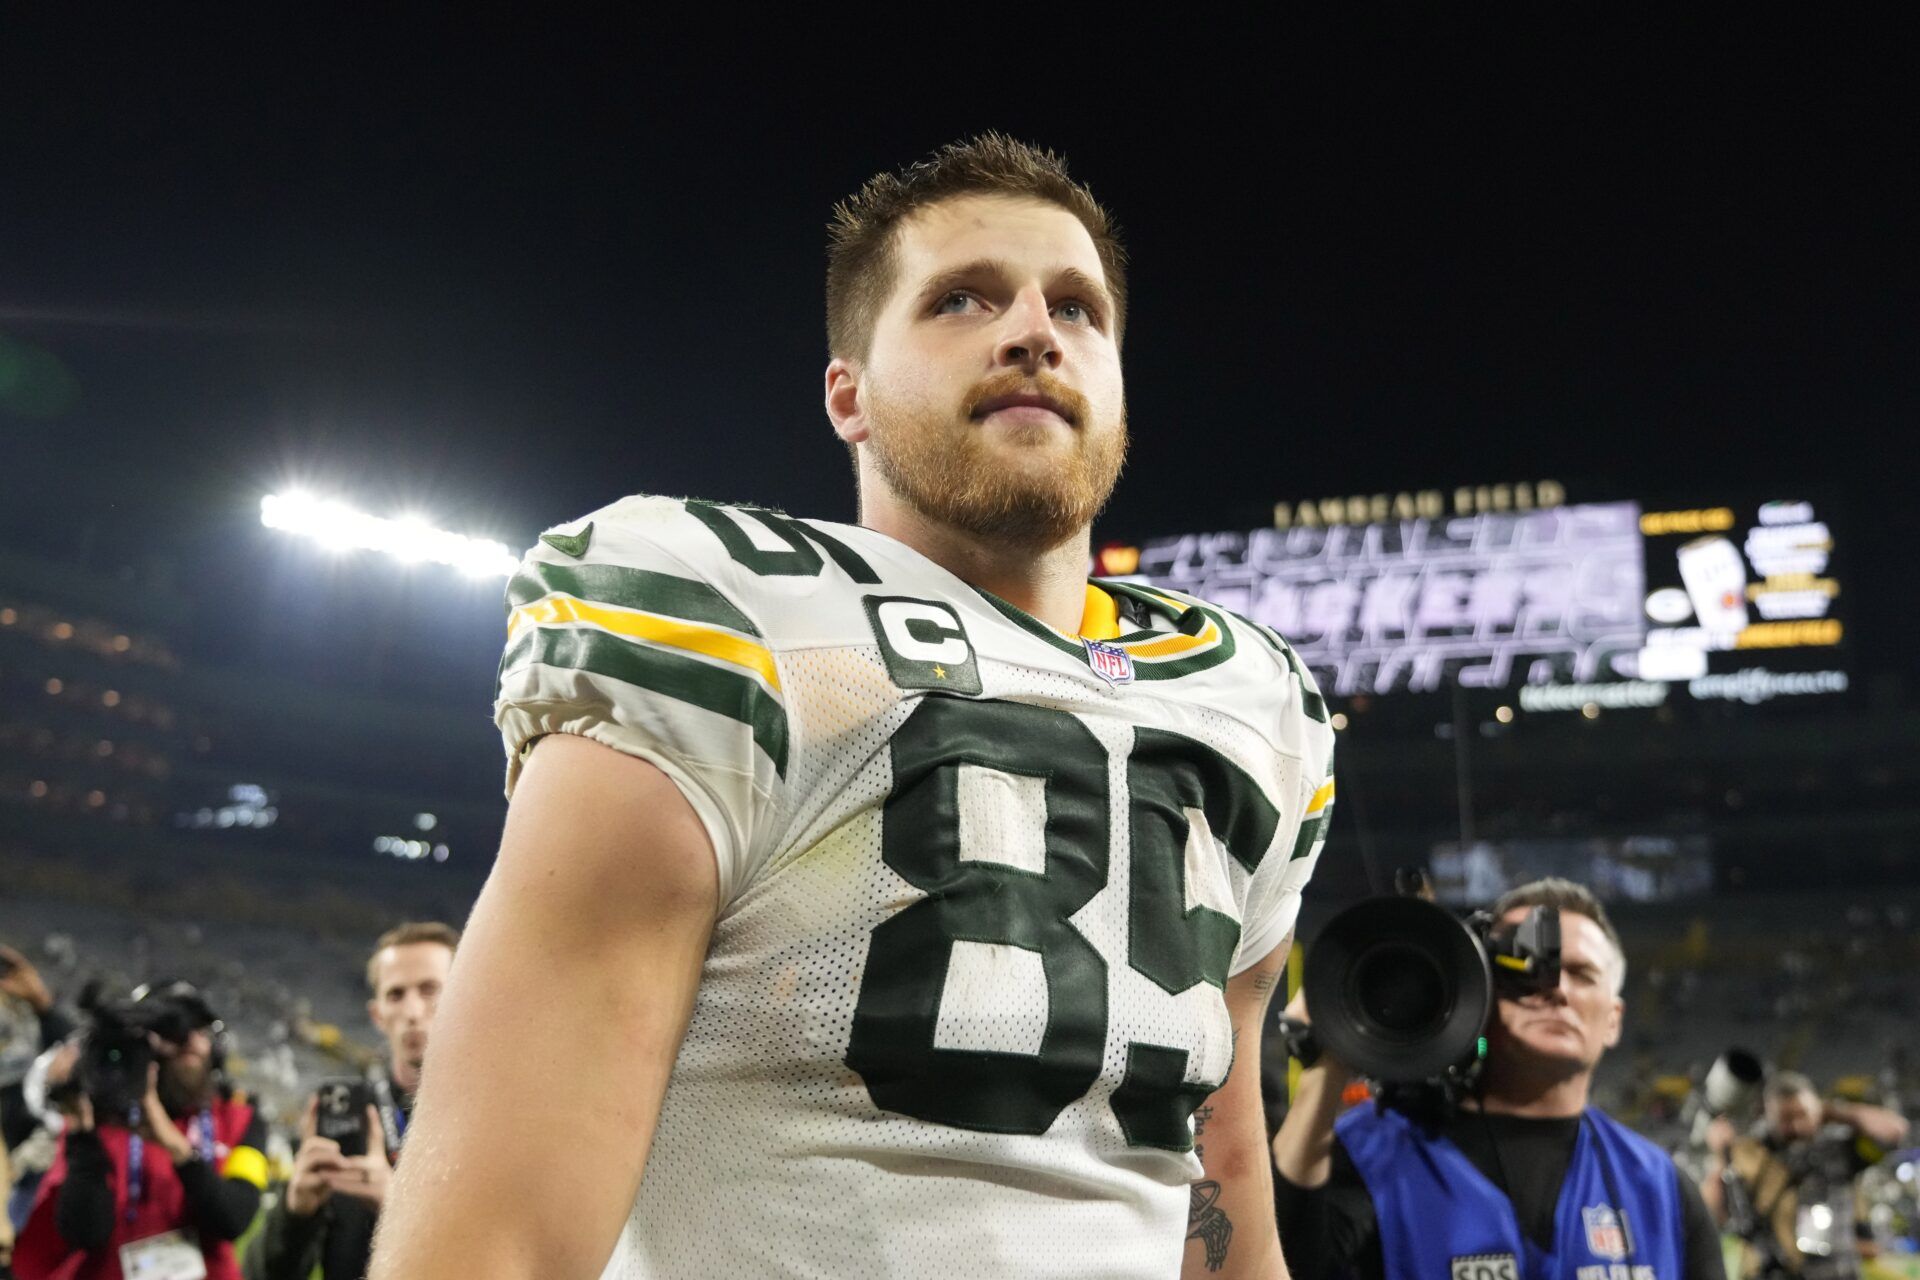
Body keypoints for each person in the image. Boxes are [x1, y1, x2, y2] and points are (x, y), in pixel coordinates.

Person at [369, 133, 1338, 1280]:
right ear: (849, 393)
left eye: (1078, 309)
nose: (1034, 329)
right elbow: (498, 1240)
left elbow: (1218, 1177)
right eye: (962, 299)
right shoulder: (736, 622)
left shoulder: (1247, 701)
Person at [1272, 877, 1725, 1280]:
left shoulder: (1660, 1187)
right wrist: (1336, 1049)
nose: (1555, 988)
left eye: (1582, 974)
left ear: (1614, 1019)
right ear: (1480, 988)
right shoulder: (1370, 1153)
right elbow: (1285, 1264)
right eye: (1525, 965)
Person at [12, 982, 268, 1280]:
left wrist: (177, 1148)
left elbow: (233, 1219)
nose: (192, 1042)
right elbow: (85, 1232)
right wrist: (83, 1134)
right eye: (174, 1035)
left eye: (202, 1031)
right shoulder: (103, 1120)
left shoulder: (241, 1120)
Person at [248, 923, 455, 1280]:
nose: (412, 1010)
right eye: (395, 994)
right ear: (377, 1015)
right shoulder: (346, 1122)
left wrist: (398, 1210)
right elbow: (262, 1275)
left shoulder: (500, 1124)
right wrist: (295, 1214)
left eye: (429, 989)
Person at [1702, 1070, 1909, 1280]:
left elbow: (1894, 1131)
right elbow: (1713, 1213)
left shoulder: (1839, 1151)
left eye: (1803, 1114)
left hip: (1835, 1273)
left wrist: (1835, 1111)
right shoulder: (1751, 1154)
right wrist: (1720, 1157)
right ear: (1768, 1116)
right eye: (1785, 1118)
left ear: (1818, 1109)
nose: (1796, 1126)